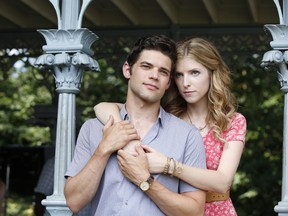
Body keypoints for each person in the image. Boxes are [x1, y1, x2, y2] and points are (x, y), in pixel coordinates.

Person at [94, 37, 247, 216]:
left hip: (217, 210)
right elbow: (102, 107)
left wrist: (168, 166)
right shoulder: (168, 116)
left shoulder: (231, 121)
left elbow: (222, 182)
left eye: (195, 73)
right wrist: (123, 134)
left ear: (212, 74)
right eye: (179, 75)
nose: (185, 83)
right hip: (172, 208)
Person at [64, 35, 207, 216]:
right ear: (127, 70)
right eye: (146, 66)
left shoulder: (188, 136)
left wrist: (144, 180)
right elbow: (74, 202)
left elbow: (194, 212)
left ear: (168, 82)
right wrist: (104, 149)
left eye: (163, 72)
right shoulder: (92, 128)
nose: (154, 76)